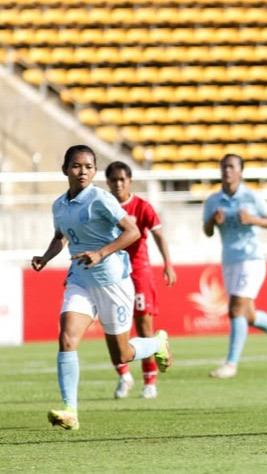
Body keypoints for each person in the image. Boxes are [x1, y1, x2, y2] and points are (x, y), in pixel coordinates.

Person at [31, 145, 172, 431]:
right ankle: (70, 410)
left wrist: (102, 252)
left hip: (114, 281)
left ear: (94, 171)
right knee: (67, 338)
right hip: (80, 279)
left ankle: (157, 343)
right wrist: (46, 257)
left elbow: (132, 232)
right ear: (65, 169)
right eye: (76, 166)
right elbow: (61, 236)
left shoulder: (101, 199)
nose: (82, 171)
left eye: (88, 167)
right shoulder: (59, 205)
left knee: (121, 355)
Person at [203, 153, 267, 379]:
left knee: (236, 308)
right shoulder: (213, 200)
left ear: (240, 171)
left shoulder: (251, 196)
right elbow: (206, 232)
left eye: (231, 166)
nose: (227, 170)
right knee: (248, 315)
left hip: (251, 259)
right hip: (230, 260)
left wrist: (253, 220)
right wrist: (211, 223)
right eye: (224, 166)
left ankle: (231, 364)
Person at [105, 161, 177, 400]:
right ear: (108, 182)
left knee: (144, 326)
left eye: (122, 179)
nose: (118, 184)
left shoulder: (141, 206)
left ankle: (150, 381)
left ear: (130, 181)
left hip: (138, 273)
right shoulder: (102, 206)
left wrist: (167, 263)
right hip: (109, 273)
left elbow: (159, 235)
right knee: (111, 328)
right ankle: (124, 376)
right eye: (113, 180)